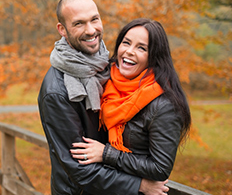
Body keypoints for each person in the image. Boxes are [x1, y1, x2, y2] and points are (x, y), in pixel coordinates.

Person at [38, 0, 169, 195]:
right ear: (62, 30)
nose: (91, 30)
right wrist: (140, 185)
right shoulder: (57, 92)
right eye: (79, 23)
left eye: (94, 19)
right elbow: (79, 168)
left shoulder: (106, 66)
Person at [71, 18, 191, 182]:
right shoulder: (107, 81)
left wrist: (106, 154)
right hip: (106, 185)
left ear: (154, 57)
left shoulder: (164, 105)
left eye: (141, 48)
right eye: (126, 43)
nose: (129, 51)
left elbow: (160, 168)